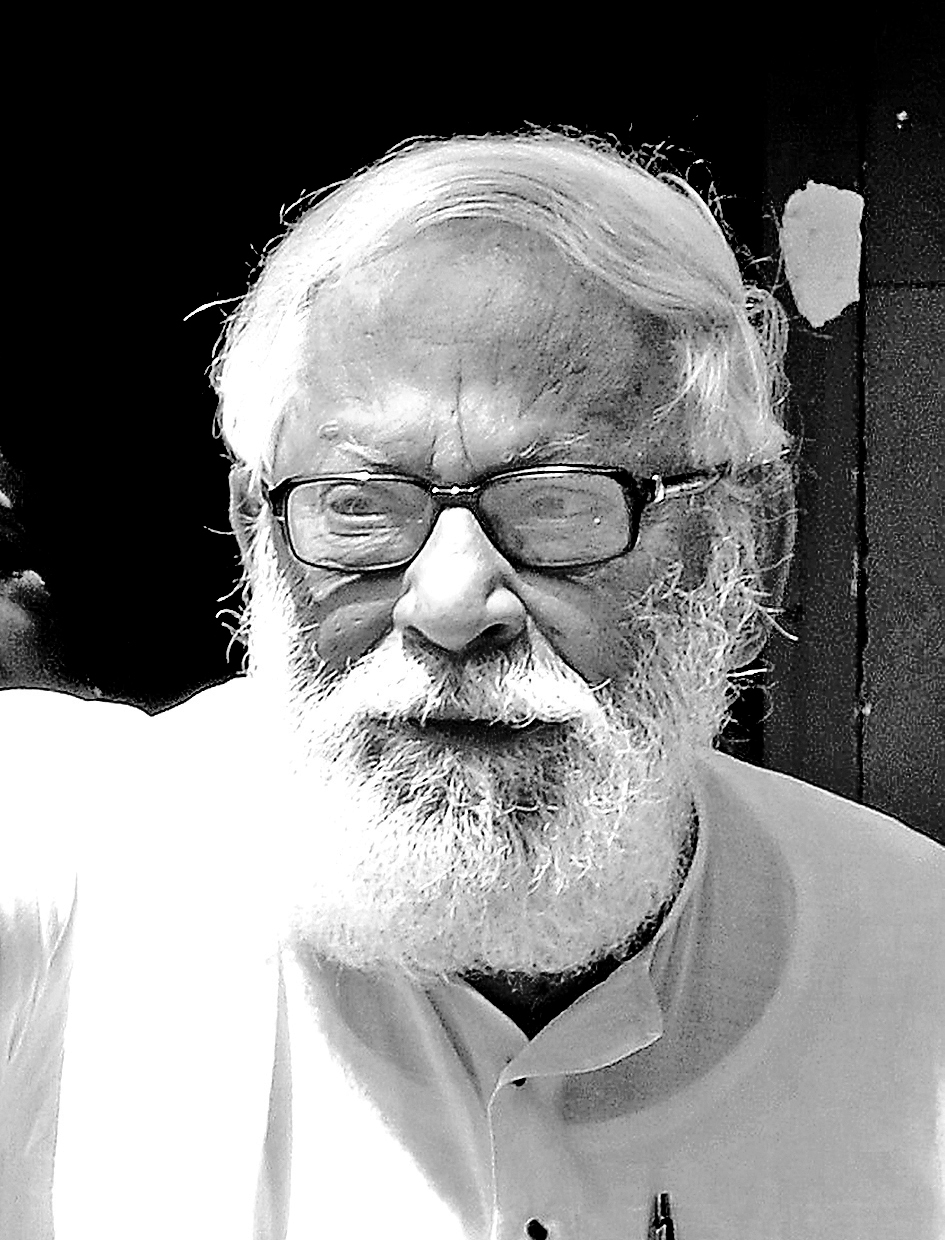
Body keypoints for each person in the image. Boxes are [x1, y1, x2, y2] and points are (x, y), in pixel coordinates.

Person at [1, 132, 942, 1240]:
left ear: (749, 545)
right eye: (358, 506)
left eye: (559, 502)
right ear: (258, 531)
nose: (450, 604)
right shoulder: (71, 861)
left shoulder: (916, 965)